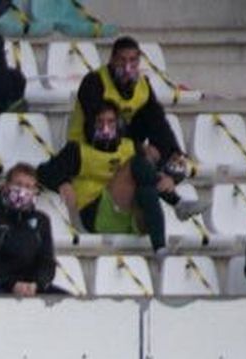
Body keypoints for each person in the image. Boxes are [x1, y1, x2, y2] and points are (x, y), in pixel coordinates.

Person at [66, 37, 208, 224]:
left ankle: (169, 183)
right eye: (122, 61)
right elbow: (100, 129)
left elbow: (158, 123)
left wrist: (173, 154)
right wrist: (138, 149)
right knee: (139, 160)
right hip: (89, 145)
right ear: (112, 60)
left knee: (157, 133)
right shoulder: (94, 82)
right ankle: (175, 201)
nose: (127, 67)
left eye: (133, 61)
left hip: (122, 143)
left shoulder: (142, 85)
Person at [36, 101, 171, 255]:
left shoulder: (130, 146)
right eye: (100, 122)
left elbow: (147, 174)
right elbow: (43, 172)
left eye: (111, 121)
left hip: (130, 218)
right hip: (95, 213)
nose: (105, 127)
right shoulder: (77, 150)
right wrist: (63, 183)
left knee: (147, 191)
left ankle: (160, 249)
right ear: (91, 125)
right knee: (136, 163)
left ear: (118, 124)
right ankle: (174, 200)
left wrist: (166, 175)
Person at [0, 163, 57, 295]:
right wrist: (11, 284)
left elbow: (47, 263)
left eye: (28, 187)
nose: (22, 191)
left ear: (35, 191)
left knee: (67, 302)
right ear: (6, 187)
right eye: (18, 185)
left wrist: (37, 284)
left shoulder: (42, 221)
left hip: (31, 288)